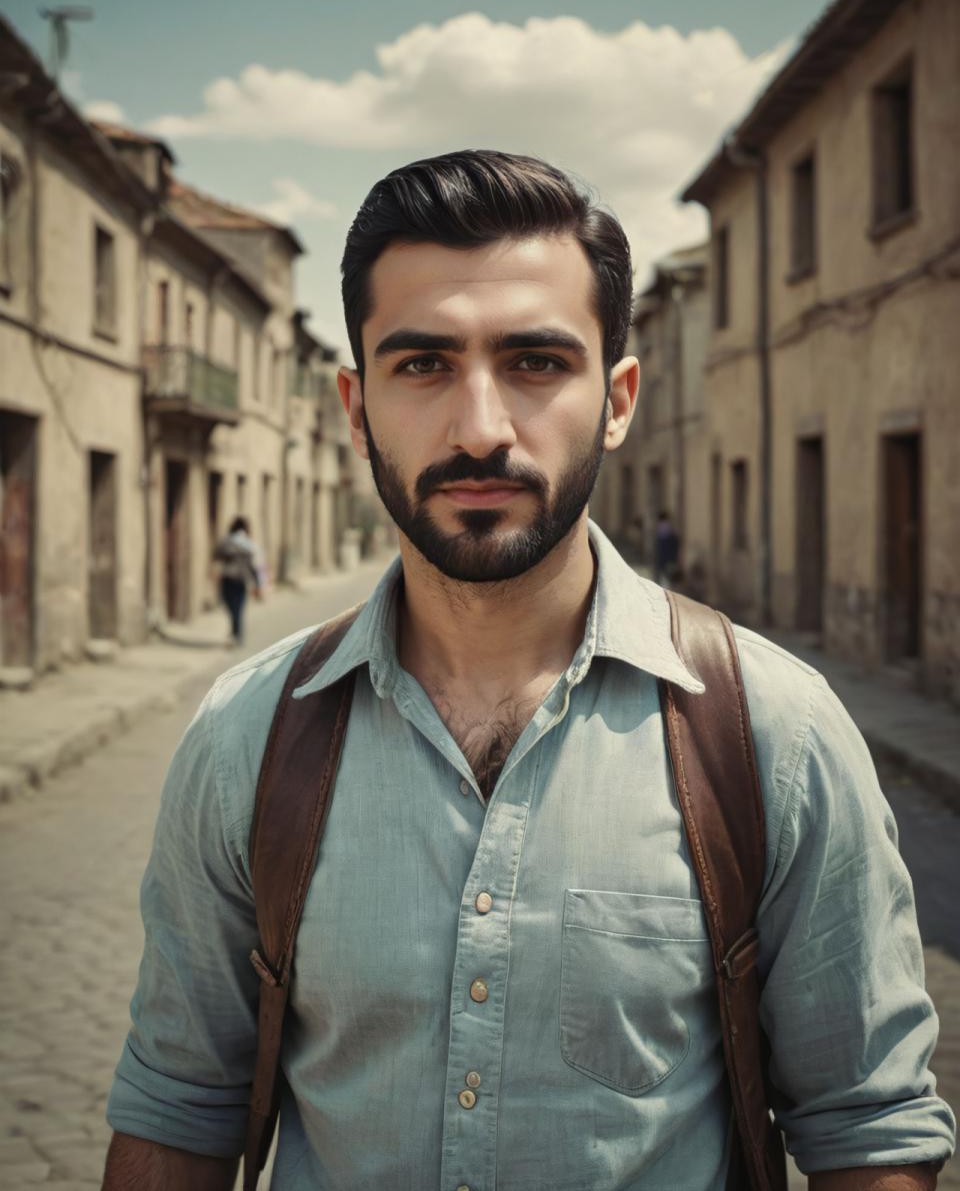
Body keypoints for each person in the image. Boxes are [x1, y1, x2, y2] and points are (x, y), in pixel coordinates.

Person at [102, 152, 954, 1190]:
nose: (480, 428)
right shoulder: (248, 734)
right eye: (420, 365)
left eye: (537, 362)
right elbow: (179, 1105)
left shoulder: (770, 731)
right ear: (356, 406)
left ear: (618, 398)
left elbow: (868, 1130)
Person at [212, 516, 262, 646]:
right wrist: (257, 584)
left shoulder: (229, 542)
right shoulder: (246, 544)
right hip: (238, 579)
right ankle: (236, 633)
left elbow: (216, 555)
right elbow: (254, 566)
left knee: (233, 607)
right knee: (236, 608)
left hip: (231, 579)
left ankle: (236, 634)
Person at [654, 508, 680, 587]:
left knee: (664, 576)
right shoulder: (667, 528)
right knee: (667, 576)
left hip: (664, 557)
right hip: (668, 557)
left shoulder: (661, 529)